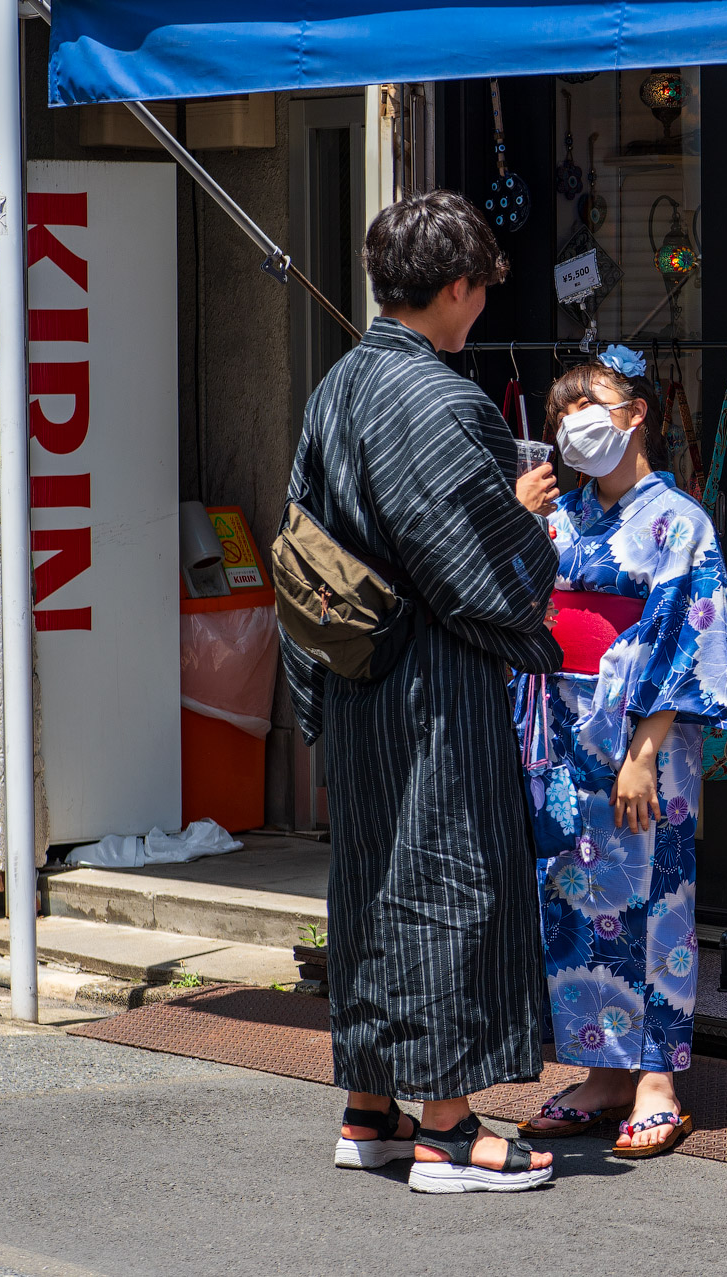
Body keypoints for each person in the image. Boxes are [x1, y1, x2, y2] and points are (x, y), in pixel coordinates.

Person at [280, 190, 566, 1195]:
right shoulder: (442, 400)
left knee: (369, 880)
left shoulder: (339, 385)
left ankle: (370, 1103)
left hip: (352, 671)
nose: (483, 304)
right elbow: (479, 569)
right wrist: (526, 517)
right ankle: (446, 1126)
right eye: (481, 287)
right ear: (454, 286)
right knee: (451, 878)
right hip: (431, 683)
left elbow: (307, 542)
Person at [511, 346, 727, 1157]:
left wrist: (644, 750)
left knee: (654, 902)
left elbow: (692, 642)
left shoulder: (680, 522)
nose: (576, 418)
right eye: (563, 406)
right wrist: (516, 512)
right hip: (563, 733)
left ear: (636, 412)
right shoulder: (559, 514)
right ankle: (599, 1071)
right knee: (575, 902)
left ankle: (654, 1079)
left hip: (645, 737)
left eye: (593, 401)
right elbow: (509, 600)